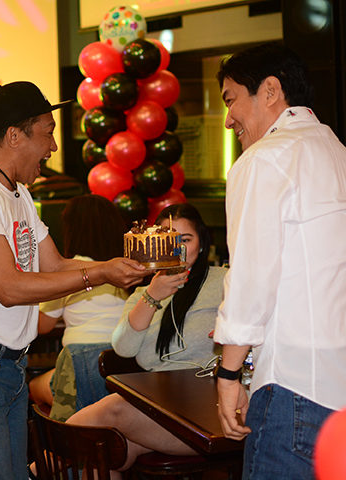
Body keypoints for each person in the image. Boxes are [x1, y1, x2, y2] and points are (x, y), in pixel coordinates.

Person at [0, 81, 148, 480]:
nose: (53, 147)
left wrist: (117, 265)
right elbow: (10, 287)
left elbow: (55, 265)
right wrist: (100, 273)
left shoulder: (18, 194)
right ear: (15, 136)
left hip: (8, 363)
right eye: (47, 133)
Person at [213, 43, 346, 480]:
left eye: (231, 99)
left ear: (270, 91)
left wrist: (228, 374)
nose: (228, 119)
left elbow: (251, 279)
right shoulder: (338, 152)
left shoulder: (266, 158)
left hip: (295, 388)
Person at [66, 203, 226, 476]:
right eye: (167, 241)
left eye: (185, 239)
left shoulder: (223, 281)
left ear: (201, 243)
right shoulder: (143, 293)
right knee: (103, 454)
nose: (176, 248)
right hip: (160, 406)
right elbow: (123, 348)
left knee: (113, 409)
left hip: (208, 411)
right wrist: (152, 296)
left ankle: (36, 468)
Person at [29, 193, 129, 420]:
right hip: (123, 363)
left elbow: (43, 326)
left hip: (80, 360)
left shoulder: (70, 271)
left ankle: (46, 440)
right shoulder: (125, 270)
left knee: (33, 386)